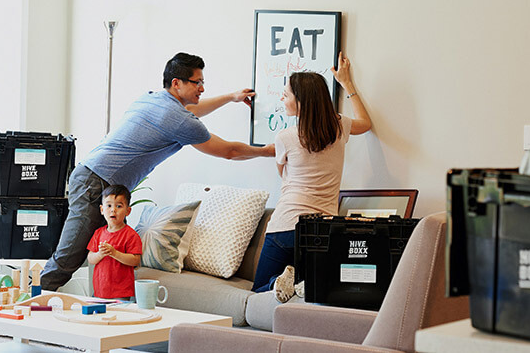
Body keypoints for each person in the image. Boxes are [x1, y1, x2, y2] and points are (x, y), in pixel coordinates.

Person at [41, 52, 275, 290]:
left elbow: (192, 110)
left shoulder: (152, 98)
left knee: (70, 252)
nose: (202, 88)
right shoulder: (179, 119)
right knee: (69, 256)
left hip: (89, 175)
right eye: (197, 82)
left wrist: (231, 97)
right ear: (177, 83)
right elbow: (229, 151)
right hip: (97, 183)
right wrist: (268, 151)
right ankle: (29, 306)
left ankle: (34, 299)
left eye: (203, 83)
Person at [251, 52, 373, 302]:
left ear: (301, 101)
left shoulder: (285, 137)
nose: (282, 97)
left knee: (258, 291)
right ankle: (300, 283)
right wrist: (347, 83)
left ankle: (282, 282)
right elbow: (366, 123)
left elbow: (283, 175)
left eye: (287, 94)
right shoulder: (339, 126)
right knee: (314, 290)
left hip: (285, 226)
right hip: (322, 229)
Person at [86, 185, 142, 299]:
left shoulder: (131, 235)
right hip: (100, 290)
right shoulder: (98, 233)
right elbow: (91, 258)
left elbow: (135, 260)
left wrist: (114, 253)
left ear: (128, 211)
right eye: (109, 205)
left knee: (120, 316)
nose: (113, 210)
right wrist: (100, 254)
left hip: (121, 292)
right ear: (102, 210)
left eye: (119, 206)